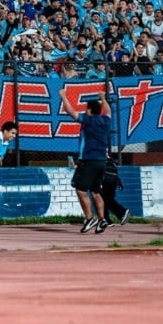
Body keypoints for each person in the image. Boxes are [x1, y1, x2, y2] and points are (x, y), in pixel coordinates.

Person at [62, 91, 112, 233]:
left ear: (89, 110)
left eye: (86, 108)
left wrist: (64, 96)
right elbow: (108, 111)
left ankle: (90, 218)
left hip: (89, 160)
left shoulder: (88, 120)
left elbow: (71, 111)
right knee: (96, 191)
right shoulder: (106, 121)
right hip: (102, 161)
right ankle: (102, 220)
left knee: (81, 189)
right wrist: (103, 98)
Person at [100, 156, 131, 225]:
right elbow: (115, 172)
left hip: (105, 181)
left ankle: (122, 212)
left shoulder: (98, 155)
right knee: (107, 200)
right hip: (113, 181)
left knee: (103, 200)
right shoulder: (110, 160)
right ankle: (110, 219)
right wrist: (119, 182)